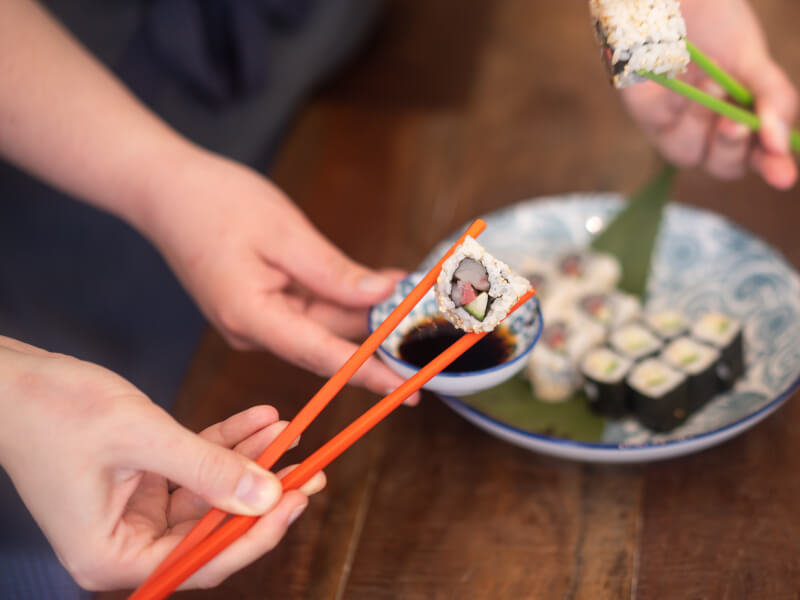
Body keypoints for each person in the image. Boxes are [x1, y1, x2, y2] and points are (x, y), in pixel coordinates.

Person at [0, 0, 795, 597]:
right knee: (75, 514)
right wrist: (16, 391)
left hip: (313, 51)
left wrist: (657, 11)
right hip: (55, 115)